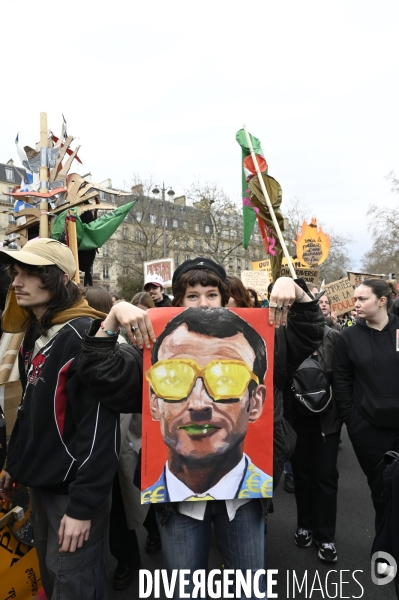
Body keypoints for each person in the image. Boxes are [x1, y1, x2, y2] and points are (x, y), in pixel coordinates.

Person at [76, 256, 324, 599]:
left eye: (211, 294)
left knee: (249, 589)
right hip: (176, 506)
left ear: (256, 400)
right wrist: (112, 320)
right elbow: (99, 375)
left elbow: (308, 333)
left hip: (244, 502)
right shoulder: (151, 348)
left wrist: (295, 289)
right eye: (192, 296)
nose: (199, 404)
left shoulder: (262, 343)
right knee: (184, 589)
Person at [0, 238, 142, 599]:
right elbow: (32, 408)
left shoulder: (85, 335)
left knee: (73, 585)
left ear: (59, 279)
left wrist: (82, 507)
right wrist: (14, 462)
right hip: (42, 486)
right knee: (52, 577)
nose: (17, 283)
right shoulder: (36, 331)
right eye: (16, 273)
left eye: (30, 274)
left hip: (72, 496)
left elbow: (101, 434)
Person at [141, 308, 272, 503]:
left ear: (256, 402)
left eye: (227, 379)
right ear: (154, 401)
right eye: (174, 379)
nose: (198, 404)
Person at [333, 278, 399, 532]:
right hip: (369, 432)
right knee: (381, 492)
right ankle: (385, 551)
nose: (355, 304)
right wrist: (353, 420)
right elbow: (341, 381)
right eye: (355, 298)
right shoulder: (348, 336)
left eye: (362, 299)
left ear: (382, 301)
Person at [285, 321, 342, 562]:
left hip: (326, 421)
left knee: (325, 476)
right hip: (297, 419)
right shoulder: (285, 337)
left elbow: (343, 378)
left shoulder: (334, 338)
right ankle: (305, 525)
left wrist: (344, 414)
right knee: (302, 474)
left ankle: (326, 536)